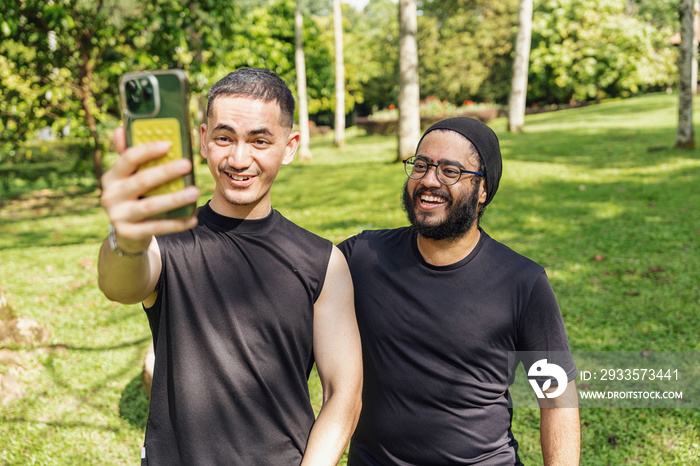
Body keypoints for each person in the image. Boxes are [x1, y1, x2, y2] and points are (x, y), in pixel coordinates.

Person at [98, 68, 362, 465]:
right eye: (225, 138)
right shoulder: (165, 241)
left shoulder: (323, 262)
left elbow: (344, 391)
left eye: (259, 140)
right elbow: (120, 285)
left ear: (289, 147)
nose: (239, 159)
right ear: (203, 141)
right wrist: (127, 238)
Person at [338, 117, 579, 465]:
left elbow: (556, 398)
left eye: (450, 171)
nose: (429, 181)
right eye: (421, 166)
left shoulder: (521, 281)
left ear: (483, 190)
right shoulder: (363, 257)